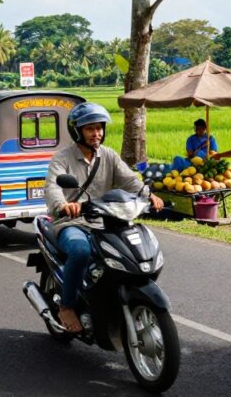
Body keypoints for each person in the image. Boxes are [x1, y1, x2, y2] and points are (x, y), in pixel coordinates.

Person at [45, 102, 164, 333]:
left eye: (99, 128)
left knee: (129, 252)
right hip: (73, 222)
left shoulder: (108, 156)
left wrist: (150, 196)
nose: (96, 133)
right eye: (90, 129)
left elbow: (130, 181)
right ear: (77, 131)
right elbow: (52, 186)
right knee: (80, 251)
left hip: (106, 220)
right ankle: (67, 306)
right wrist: (63, 205)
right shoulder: (63, 159)